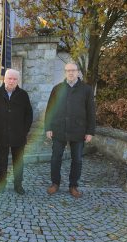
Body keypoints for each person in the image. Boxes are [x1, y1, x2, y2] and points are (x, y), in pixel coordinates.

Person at [45, 63, 96, 198]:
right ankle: (55, 183)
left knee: (77, 160)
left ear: (78, 72)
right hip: (59, 129)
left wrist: (90, 131)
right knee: (56, 158)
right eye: (68, 71)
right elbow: (50, 109)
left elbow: (91, 111)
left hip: (78, 130)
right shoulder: (57, 89)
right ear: (65, 72)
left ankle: (73, 185)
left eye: (73, 70)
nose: (70, 73)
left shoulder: (86, 90)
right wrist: (48, 127)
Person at [0, 69, 33, 194]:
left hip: (18, 135)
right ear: (4, 79)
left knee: (18, 162)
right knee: (1, 161)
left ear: (17, 80)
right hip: (0, 134)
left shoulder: (23, 95)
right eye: (10, 78)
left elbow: (29, 115)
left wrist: (24, 131)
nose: (12, 81)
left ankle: (18, 185)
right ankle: (1, 184)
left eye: (14, 79)